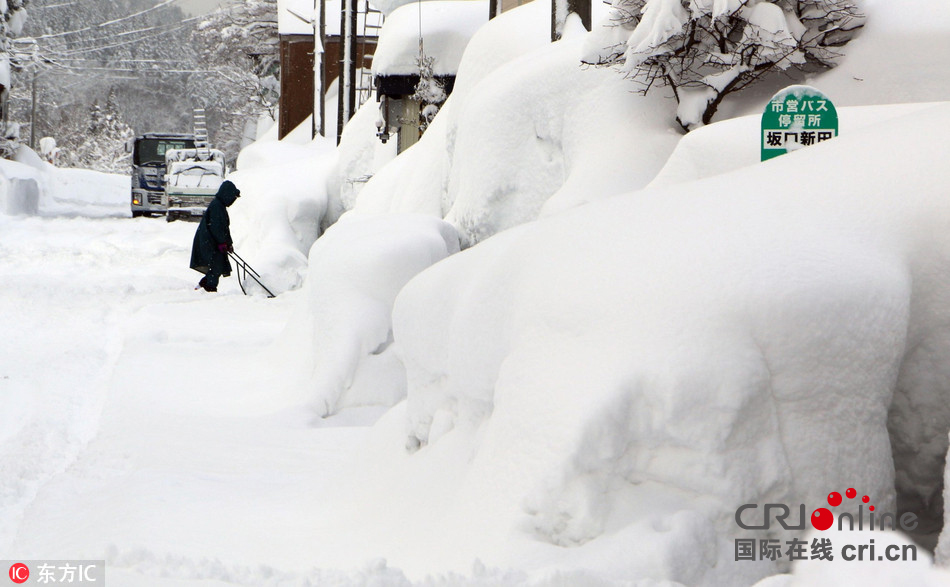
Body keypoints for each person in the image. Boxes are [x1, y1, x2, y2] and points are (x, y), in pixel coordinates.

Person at [190, 180, 241, 292]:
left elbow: (224, 229)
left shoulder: (220, 206)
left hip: (213, 242)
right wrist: (222, 242)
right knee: (215, 266)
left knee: (215, 266)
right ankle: (209, 288)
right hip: (210, 242)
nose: (233, 200)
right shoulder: (217, 206)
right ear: (227, 194)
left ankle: (203, 286)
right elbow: (216, 227)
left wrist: (229, 243)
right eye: (233, 197)